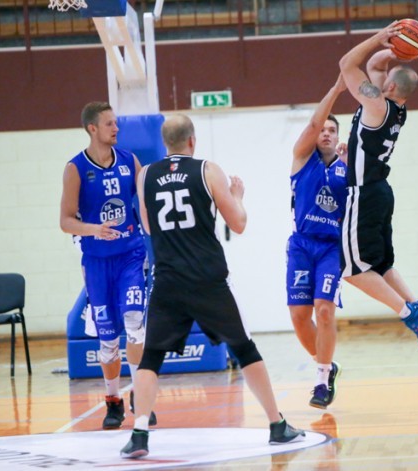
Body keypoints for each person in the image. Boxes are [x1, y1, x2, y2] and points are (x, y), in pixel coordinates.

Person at [120, 114, 305, 459]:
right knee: (245, 348)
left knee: (151, 357)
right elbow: (239, 223)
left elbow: (148, 225)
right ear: (192, 140)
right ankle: (277, 425)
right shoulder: (208, 170)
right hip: (208, 278)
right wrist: (237, 196)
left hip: (167, 278)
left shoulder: (145, 176)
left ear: (165, 142)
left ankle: (140, 433)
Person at [338, 23, 418, 352]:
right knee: (381, 266)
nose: (380, 76)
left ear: (391, 86)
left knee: (352, 270)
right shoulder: (398, 109)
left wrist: (380, 38)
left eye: (387, 77)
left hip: (364, 193)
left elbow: (347, 65)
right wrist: (397, 51)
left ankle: (408, 313)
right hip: (381, 193)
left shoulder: (376, 104)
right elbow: (375, 65)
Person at [60, 101, 156, 430]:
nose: (116, 128)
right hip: (97, 263)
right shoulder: (75, 168)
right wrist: (93, 229)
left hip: (131, 255)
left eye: (116, 123)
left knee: (135, 324)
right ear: (92, 128)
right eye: (110, 124)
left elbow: (147, 202)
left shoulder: (130, 161)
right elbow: (65, 221)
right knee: (108, 341)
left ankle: (141, 397)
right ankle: (113, 400)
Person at [288, 74, 348, 409]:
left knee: (324, 310)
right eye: (322, 129)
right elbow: (313, 123)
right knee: (300, 316)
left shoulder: (346, 168)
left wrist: (352, 167)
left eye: (332, 130)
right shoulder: (302, 157)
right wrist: (337, 88)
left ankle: (322, 381)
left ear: (338, 137)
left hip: (330, 248)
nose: (325, 133)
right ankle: (328, 363)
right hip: (301, 245)